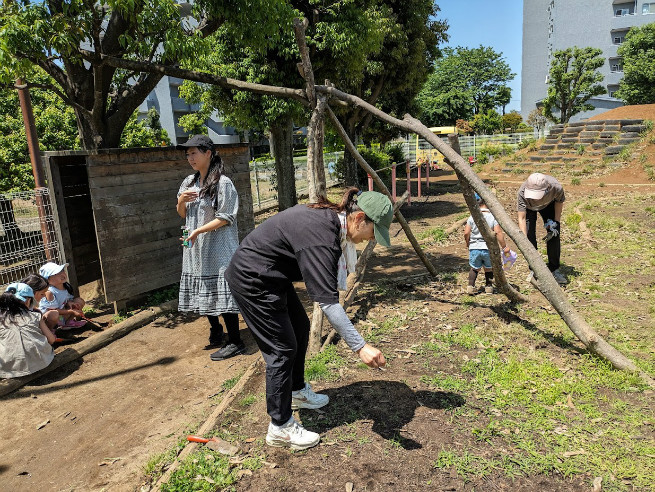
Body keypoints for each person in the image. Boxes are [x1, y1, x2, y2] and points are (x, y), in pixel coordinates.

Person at [225, 188, 392, 450]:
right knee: (281, 349)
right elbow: (327, 303)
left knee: (300, 328)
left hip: (272, 274)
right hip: (252, 279)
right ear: (359, 218)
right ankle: (279, 427)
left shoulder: (333, 222)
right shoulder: (321, 237)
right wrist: (361, 346)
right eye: (373, 232)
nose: (371, 239)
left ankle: (296, 391)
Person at [176, 134, 243, 361]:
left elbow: (225, 217)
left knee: (222, 290)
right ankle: (216, 330)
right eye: (188, 154)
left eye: (194, 152)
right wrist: (181, 201)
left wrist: (198, 231)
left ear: (208, 153)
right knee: (202, 288)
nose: (190, 157)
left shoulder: (223, 183)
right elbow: (182, 214)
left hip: (219, 246)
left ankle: (236, 340)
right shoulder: (188, 183)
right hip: (196, 248)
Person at [517, 173, 568, 285]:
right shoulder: (522, 192)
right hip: (529, 210)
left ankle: (554, 269)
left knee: (554, 235)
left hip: (548, 206)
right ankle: (534, 269)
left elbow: (559, 203)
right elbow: (521, 217)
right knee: (529, 240)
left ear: (547, 189)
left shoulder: (556, 187)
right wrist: (524, 239)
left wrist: (556, 222)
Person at [0, 282, 56, 379]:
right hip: (41, 362)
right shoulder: (35, 315)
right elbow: (51, 340)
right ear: (27, 300)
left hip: (8, 368)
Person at [464, 194, 510, 294]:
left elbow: (466, 232)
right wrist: (504, 246)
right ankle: (489, 287)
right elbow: (498, 232)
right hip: (488, 248)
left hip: (474, 248)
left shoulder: (472, 217)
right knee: (489, 269)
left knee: (474, 268)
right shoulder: (492, 217)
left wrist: (468, 242)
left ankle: (470, 287)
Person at [38, 262, 86, 331]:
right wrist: (71, 312)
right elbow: (53, 310)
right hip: (52, 318)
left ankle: (68, 323)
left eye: (62, 270)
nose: (62, 274)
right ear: (48, 280)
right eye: (56, 273)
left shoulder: (66, 286)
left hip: (62, 315)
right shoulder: (49, 292)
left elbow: (67, 299)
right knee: (53, 315)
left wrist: (70, 303)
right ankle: (51, 330)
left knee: (79, 301)